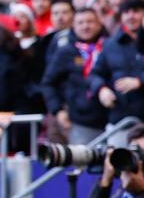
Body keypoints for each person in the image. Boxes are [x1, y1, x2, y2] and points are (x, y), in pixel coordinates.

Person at [91, 0, 144, 128]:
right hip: (119, 118)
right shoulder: (110, 44)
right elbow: (95, 73)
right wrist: (101, 89)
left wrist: (140, 81)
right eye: (126, 12)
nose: (131, 16)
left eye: (136, 11)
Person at [42, 8, 112, 145]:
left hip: (112, 117)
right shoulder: (66, 51)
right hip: (80, 120)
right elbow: (48, 83)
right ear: (73, 26)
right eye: (80, 23)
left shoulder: (111, 46)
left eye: (90, 22)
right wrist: (58, 110)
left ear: (99, 23)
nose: (85, 26)